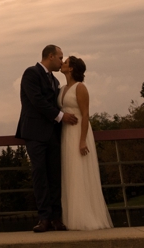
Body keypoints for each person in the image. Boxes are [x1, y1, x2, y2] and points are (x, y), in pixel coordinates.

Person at [16, 44, 79, 233]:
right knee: (40, 175)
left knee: (54, 176)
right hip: (34, 133)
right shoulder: (31, 73)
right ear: (50, 56)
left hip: (52, 134)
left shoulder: (53, 80)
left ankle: (56, 218)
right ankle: (44, 219)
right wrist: (60, 116)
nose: (62, 61)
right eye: (60, 58)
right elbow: (37, 101)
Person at [58, 55, 113, 230]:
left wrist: (82, 140)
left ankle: (85, 218)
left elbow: (85, 114)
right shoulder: (61, 89)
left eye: (65, 62)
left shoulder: (80, 88)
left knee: (79, 171)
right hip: (66, 133)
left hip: (78, 132)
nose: (62, 64)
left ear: (72, 68)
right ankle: (72, 218)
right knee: (70, 173)